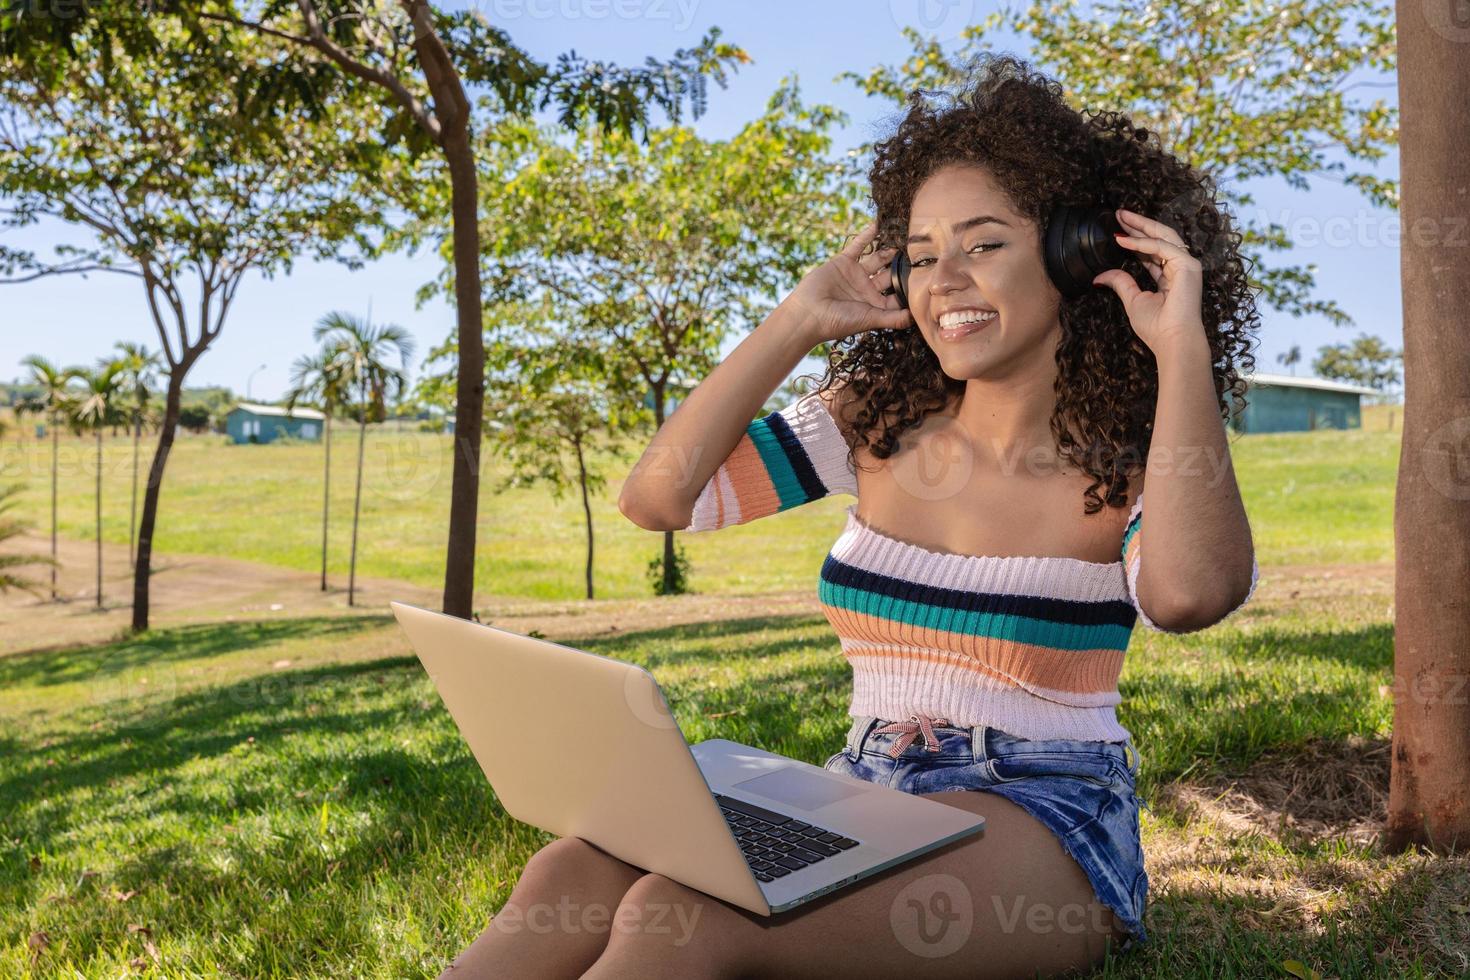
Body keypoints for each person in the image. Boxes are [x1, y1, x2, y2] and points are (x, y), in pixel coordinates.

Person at [442, 53, 1260, 979]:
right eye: (920, 254)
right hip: (868, 784)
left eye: (983, 244)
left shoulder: (1135, 460)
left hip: (1047, 817)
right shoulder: (870, 422)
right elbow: (660, 498)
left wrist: (1179, 351)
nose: (944, 278)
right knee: (569, 875)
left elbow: (1194, 592)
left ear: (1075, 254)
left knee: (688, 918)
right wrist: (798, 319)